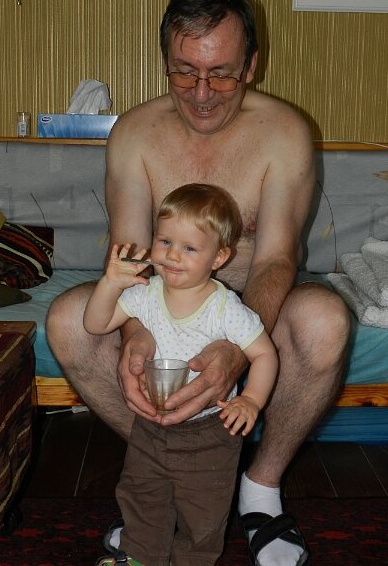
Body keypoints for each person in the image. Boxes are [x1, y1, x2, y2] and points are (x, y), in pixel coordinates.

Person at [46, 0, 350, 566]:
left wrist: (234, 348)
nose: (203, 93)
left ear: (251, 65)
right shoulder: (134, 133)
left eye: (222, 74)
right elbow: (130, 258)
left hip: (253, 308)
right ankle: (168, 469)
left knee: (325, 319)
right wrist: (138, 333)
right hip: (162, 308)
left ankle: (258, 492)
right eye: (185, 72)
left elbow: (276, 258)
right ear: (164, 61)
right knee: (66, 320)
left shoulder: (283, 133)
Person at [84, 183, 279, 566]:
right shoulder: (145, 293)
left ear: (219, 257)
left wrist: (251, 400)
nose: (172, 255)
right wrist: (110, 283)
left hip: (210, 432)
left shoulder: (225, 308)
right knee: (141, 495)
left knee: (203, 513)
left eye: (189, 248)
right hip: (150, 425)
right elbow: (96, 323)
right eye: (165, 241)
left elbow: (265, 354)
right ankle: (139, 557)